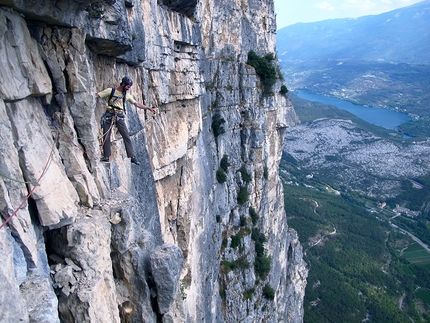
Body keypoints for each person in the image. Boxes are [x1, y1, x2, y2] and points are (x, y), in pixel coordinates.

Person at [96, 76, 156, 165]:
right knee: (106, 135)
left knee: (126, 136)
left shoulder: (126, 95)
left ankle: (132, 157)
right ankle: (106, 156)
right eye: (128, 86)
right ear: (123, 84)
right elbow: (98, 95)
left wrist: (147, 108)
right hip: (109, 115)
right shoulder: (110, 91)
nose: (128, 89)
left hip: (119, 116)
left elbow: (137, 104)